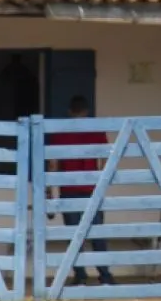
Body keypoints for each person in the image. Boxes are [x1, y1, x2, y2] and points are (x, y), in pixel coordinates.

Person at [46, 95, 115, 286]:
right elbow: (105, 158)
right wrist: (100, 180)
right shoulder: (96, 131)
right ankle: (105, 275)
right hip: (92, 189)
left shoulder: (60, 133)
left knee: (74, 236)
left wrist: (50, 190)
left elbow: (53, 164)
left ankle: (80, 276)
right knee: (97, 234)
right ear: (86, 111)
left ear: (70, 111)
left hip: (69, 189)